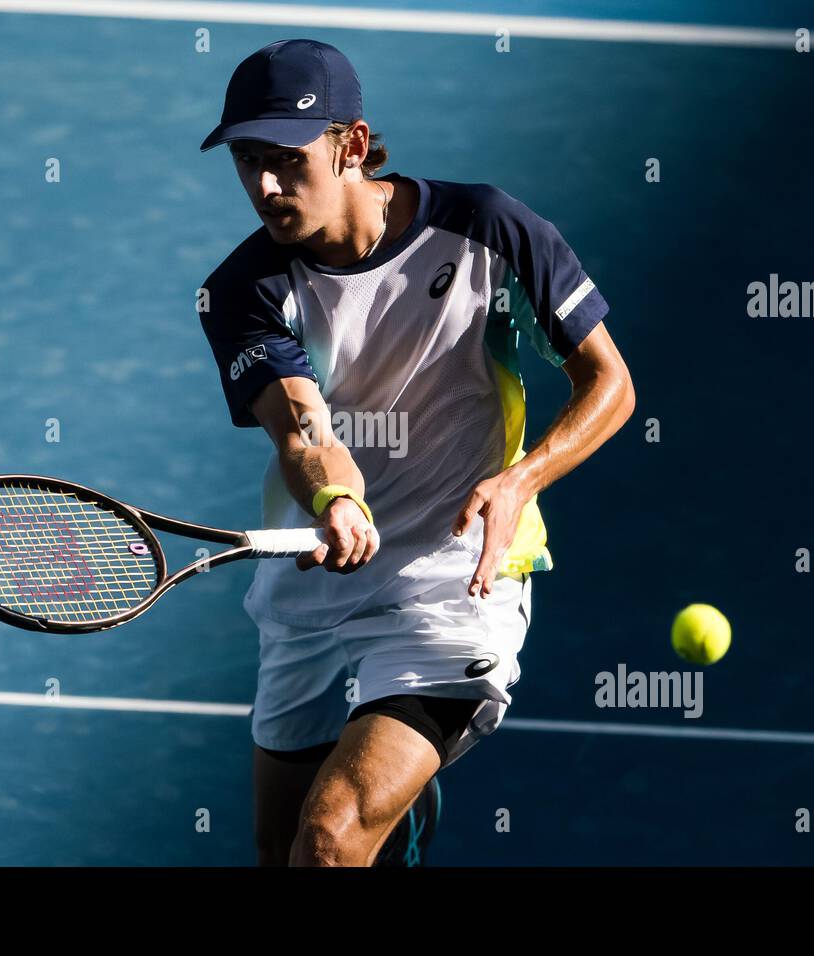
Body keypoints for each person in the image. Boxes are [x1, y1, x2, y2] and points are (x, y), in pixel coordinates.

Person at [196, 39, 634, 866]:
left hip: (452, 584)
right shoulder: (242, 289)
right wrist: (338, 500)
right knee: (283, 853)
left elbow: (609, 382)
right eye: (249, 162)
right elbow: (302, 427)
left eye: (286, 161)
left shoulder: (488, 230)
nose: (263, 187)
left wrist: (521, 480)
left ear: (352, 145)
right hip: (311, 591)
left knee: (328, 840)